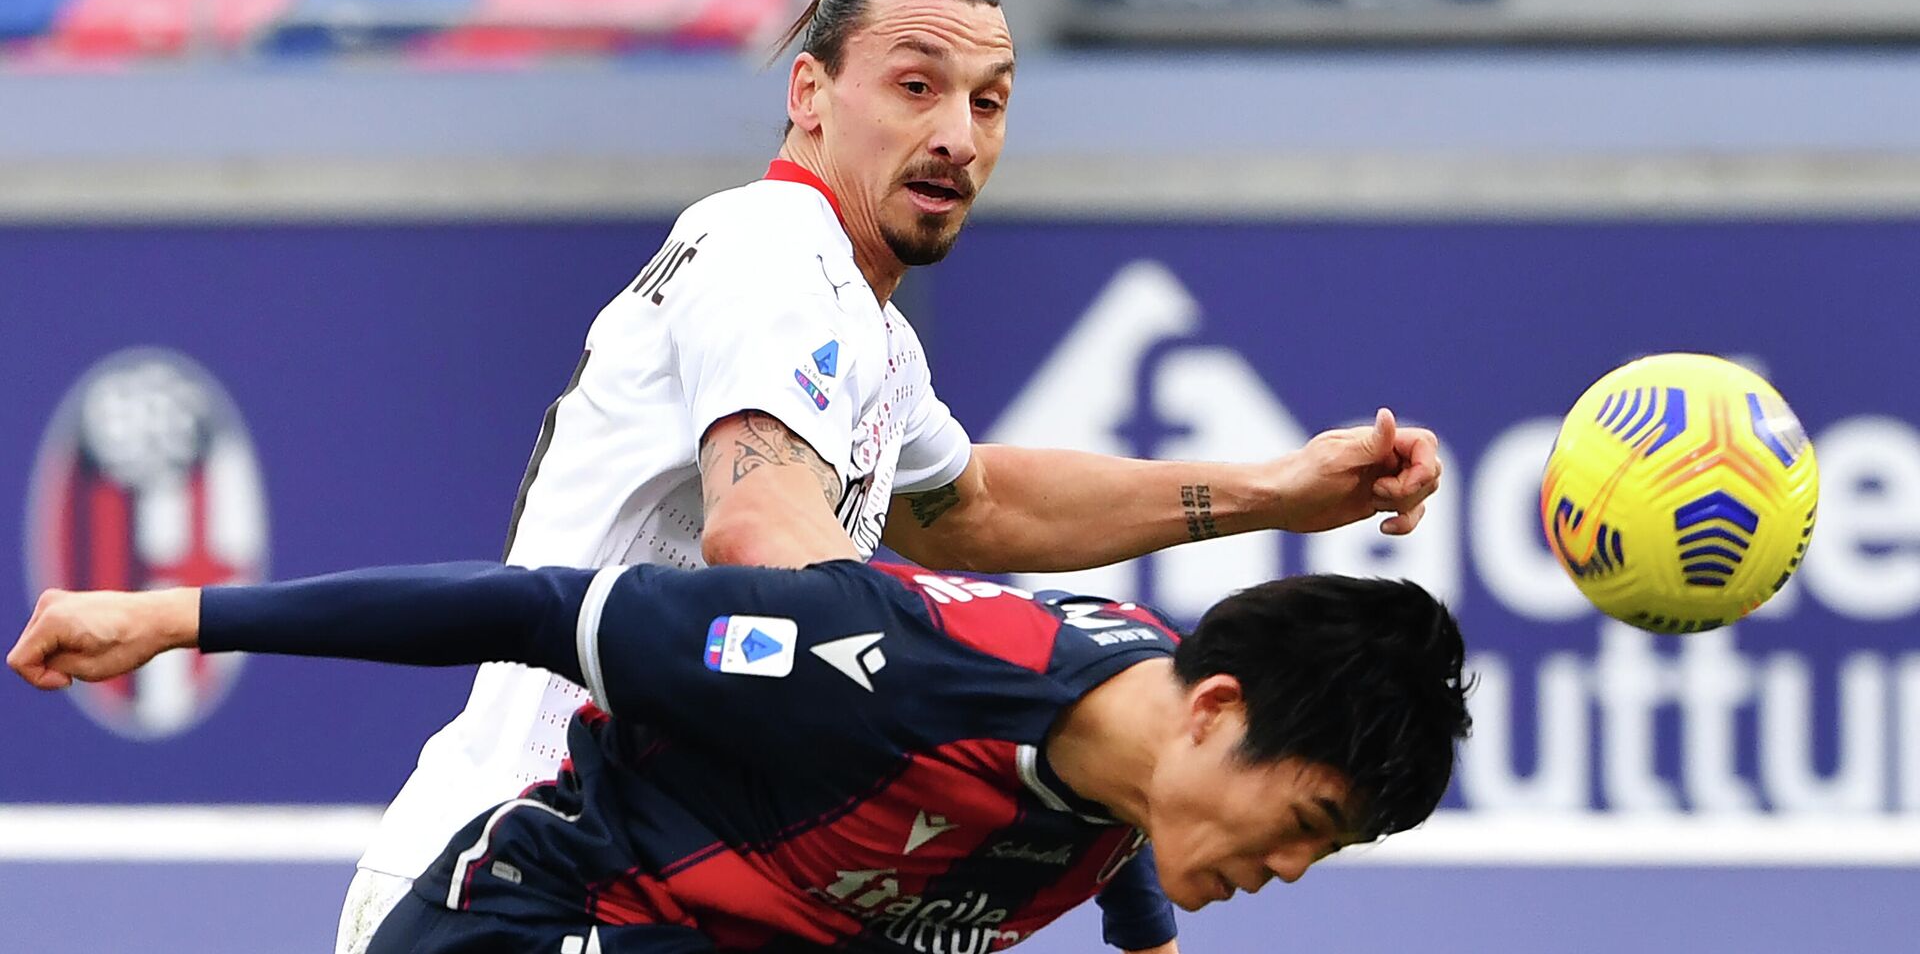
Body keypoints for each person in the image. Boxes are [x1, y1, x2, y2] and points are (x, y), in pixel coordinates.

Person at [355, 0, 1444, 954]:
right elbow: (763, 526)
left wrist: (1275, 491)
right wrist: (979, 703)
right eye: (916, 87)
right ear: (811, 95)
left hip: (625, 877)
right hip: (532, 867)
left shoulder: (867, 329)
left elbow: (973, 507)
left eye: (989, 102)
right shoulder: (775, 252)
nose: (957, 137)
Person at [8, 555, 1472, 953]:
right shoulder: (877, 663)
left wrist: (1146, 940)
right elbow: (531, 611)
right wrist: (175, 616)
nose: (1289, 870)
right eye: (1308, 823)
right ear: (1216, 711)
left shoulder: (1140, 754)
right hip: (557, 921)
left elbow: (1111, 839)